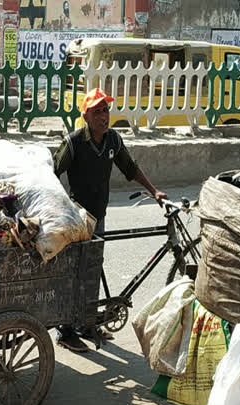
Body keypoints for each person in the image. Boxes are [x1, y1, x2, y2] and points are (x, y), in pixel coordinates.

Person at [52, 87, 167, 352]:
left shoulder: (113, 140)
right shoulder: (73, 142)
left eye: (106, 110)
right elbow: (53, 171)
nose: (104, 116)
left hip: (99, 215)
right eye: (98, 112)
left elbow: (131, 167)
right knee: (76, 271)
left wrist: (154, 190)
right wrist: (59, 208)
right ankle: (65, 330)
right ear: (86, 115)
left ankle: (85, 323)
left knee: (92, 267)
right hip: (77, 218)